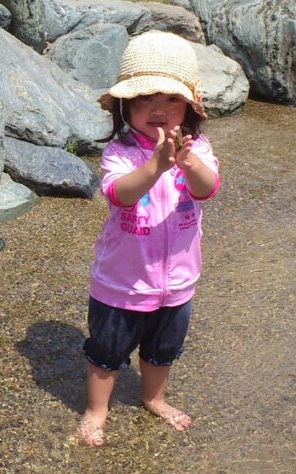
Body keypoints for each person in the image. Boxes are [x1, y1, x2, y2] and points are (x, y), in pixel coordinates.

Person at [77, 31, 220, 447]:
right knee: (106, 353)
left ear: (189, 106)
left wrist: (186, 163)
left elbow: (206, 189)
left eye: (171, 99)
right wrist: (156, 166)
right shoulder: (120, 151)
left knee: (162, 350)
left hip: (176, 282)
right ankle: (96, 409)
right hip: (121, 283)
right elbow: (118, 194)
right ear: (125, 105)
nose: (158, 108)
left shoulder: (198, 148)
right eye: (145, 99)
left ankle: (154, 397)